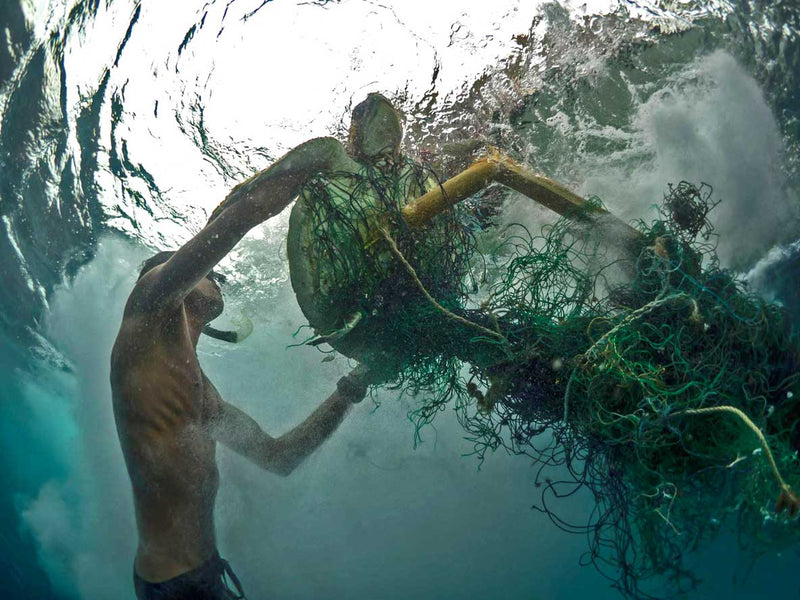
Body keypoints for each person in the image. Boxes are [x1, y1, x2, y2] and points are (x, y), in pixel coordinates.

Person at [110, 133, 371, 600]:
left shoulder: (199, 392)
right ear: (178, 276)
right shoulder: (149, 302)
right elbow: (237, 220)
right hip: (175, 588)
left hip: (203, 578)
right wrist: (315, 165)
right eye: (210, 274)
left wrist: (352, 388)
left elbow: (279, 458)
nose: (220, 278)